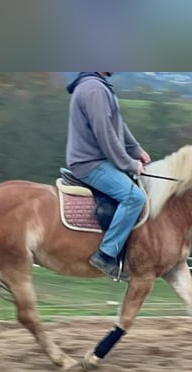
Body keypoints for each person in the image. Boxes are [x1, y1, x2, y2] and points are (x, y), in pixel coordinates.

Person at [65, 72, 151, 281]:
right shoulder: (94, 89)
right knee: (134, 197)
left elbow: (117, 125)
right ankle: (106, 254)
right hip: (90, 163)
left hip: (96, 160)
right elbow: (105, 134)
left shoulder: (98, 87)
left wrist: (136, 149)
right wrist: (129, 163)